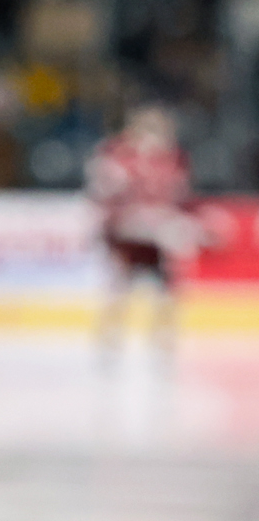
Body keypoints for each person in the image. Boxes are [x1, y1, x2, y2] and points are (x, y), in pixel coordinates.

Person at [86, 104, 194, 351]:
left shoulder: (174, 159)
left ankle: (163, 340)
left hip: (159, 235)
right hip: (126, 233)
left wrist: (172, 221)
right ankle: (109, 338)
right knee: (119, 287)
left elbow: (178, 196)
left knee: (166, 290)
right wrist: (116, 220)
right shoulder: (118, 156)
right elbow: (103, 194)